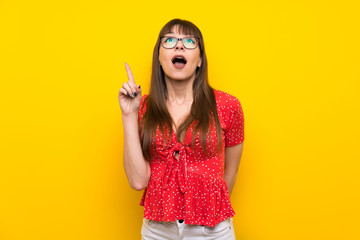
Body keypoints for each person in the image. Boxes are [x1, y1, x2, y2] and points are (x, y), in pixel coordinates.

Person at [118, 18, 244, 240]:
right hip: (157, 230)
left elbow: (230, 172)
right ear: (159, 57)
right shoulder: (142, 108)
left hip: (213, 230)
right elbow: (138, 181)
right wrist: (129, 114)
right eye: (169, 40)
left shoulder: (228, 106)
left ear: (199, 60)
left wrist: (207, 210)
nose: (178, 46)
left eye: (188, 41)